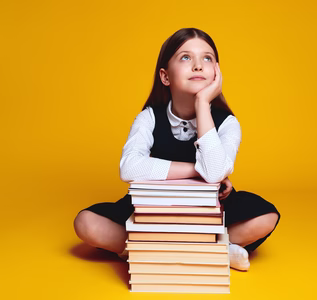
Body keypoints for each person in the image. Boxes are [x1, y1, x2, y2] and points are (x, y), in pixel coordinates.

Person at [74, 28, 281, 271]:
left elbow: (213, 173)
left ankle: (159, 250)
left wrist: (203, 104)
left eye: (207, 58)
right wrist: (196, 170)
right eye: (185, 57)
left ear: (217, 72)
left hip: (210, 212)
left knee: (266, 216)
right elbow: (129, 167)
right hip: (152, 211)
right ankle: (212, 251)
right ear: (165, 76)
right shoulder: (149, 117)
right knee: (86, 223)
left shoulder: (228, 123)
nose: (198, 66)